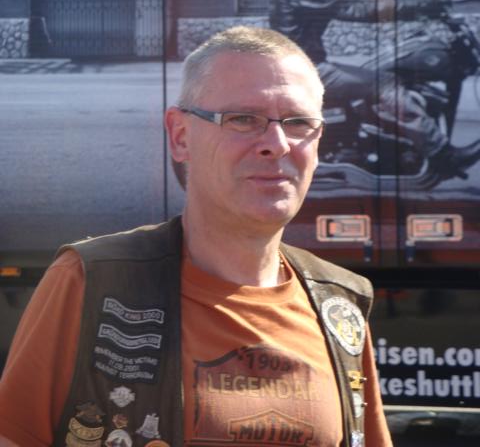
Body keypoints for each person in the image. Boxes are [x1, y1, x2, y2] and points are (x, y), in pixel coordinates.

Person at [0, 26, 392, 447]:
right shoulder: (90, 282)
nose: (277, 144)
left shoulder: (340, 304)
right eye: (243, 119)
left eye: (298, 123)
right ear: (180, 136)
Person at [269, 0, 480, 175]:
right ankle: (441, 154)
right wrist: (417, 9)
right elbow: (352, 10)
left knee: (374, 75)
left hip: (295, 65)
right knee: (386, 83)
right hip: (307, 69)